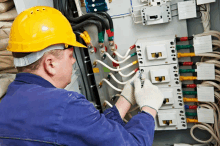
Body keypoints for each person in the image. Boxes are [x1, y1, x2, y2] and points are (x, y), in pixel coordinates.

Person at [0, 6, 164, 146]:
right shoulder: (65, 105)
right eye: (70, 55)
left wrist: (125, 101)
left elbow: (90, 132)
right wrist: (149, 110)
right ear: (50, 63)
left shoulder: (6, 104)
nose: (73, 61)